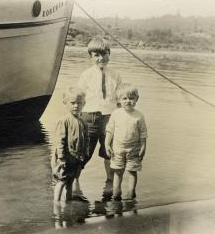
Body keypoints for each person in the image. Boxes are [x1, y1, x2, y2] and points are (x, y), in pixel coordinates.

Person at [77, 36, 122, 200]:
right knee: (84, 151)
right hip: (90, 116)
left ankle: (109, 182)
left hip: (110, 118)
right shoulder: (86, 75)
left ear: (109, 54)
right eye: (96, 55)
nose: (101, 58)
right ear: (91, 57)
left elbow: (119, 99)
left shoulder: (116, 75)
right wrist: (77, 118)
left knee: (109, 151)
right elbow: (79, 96)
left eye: (104, 54)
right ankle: (75, 182)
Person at [105, 83, 147, 201]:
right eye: (125, 98)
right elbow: (110, 130)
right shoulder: (116, 113)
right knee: (118, 172)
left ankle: (131, 194)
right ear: (119, 100)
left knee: (132, 171)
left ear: (136, 99)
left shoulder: (139, 116)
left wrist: (143, 147)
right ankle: (116, 193)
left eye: (131, 98)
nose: (128, 101)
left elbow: (143, 134)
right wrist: (107, 144)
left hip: (134, 149)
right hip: (118, 149)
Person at [51, 87, 89, 202]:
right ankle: (56, 204)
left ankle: (67, 203)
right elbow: (60, 141)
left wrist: (85, 153)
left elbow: (86, 138)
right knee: (62, 181)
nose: (76, 106)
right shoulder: (64, 120)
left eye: (79, 103)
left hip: (77, 157)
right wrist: (61, 158)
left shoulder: (83, 121)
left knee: (70, 181)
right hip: (65, 157)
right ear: (65, 103)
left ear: (84, 103)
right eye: (72, 103)